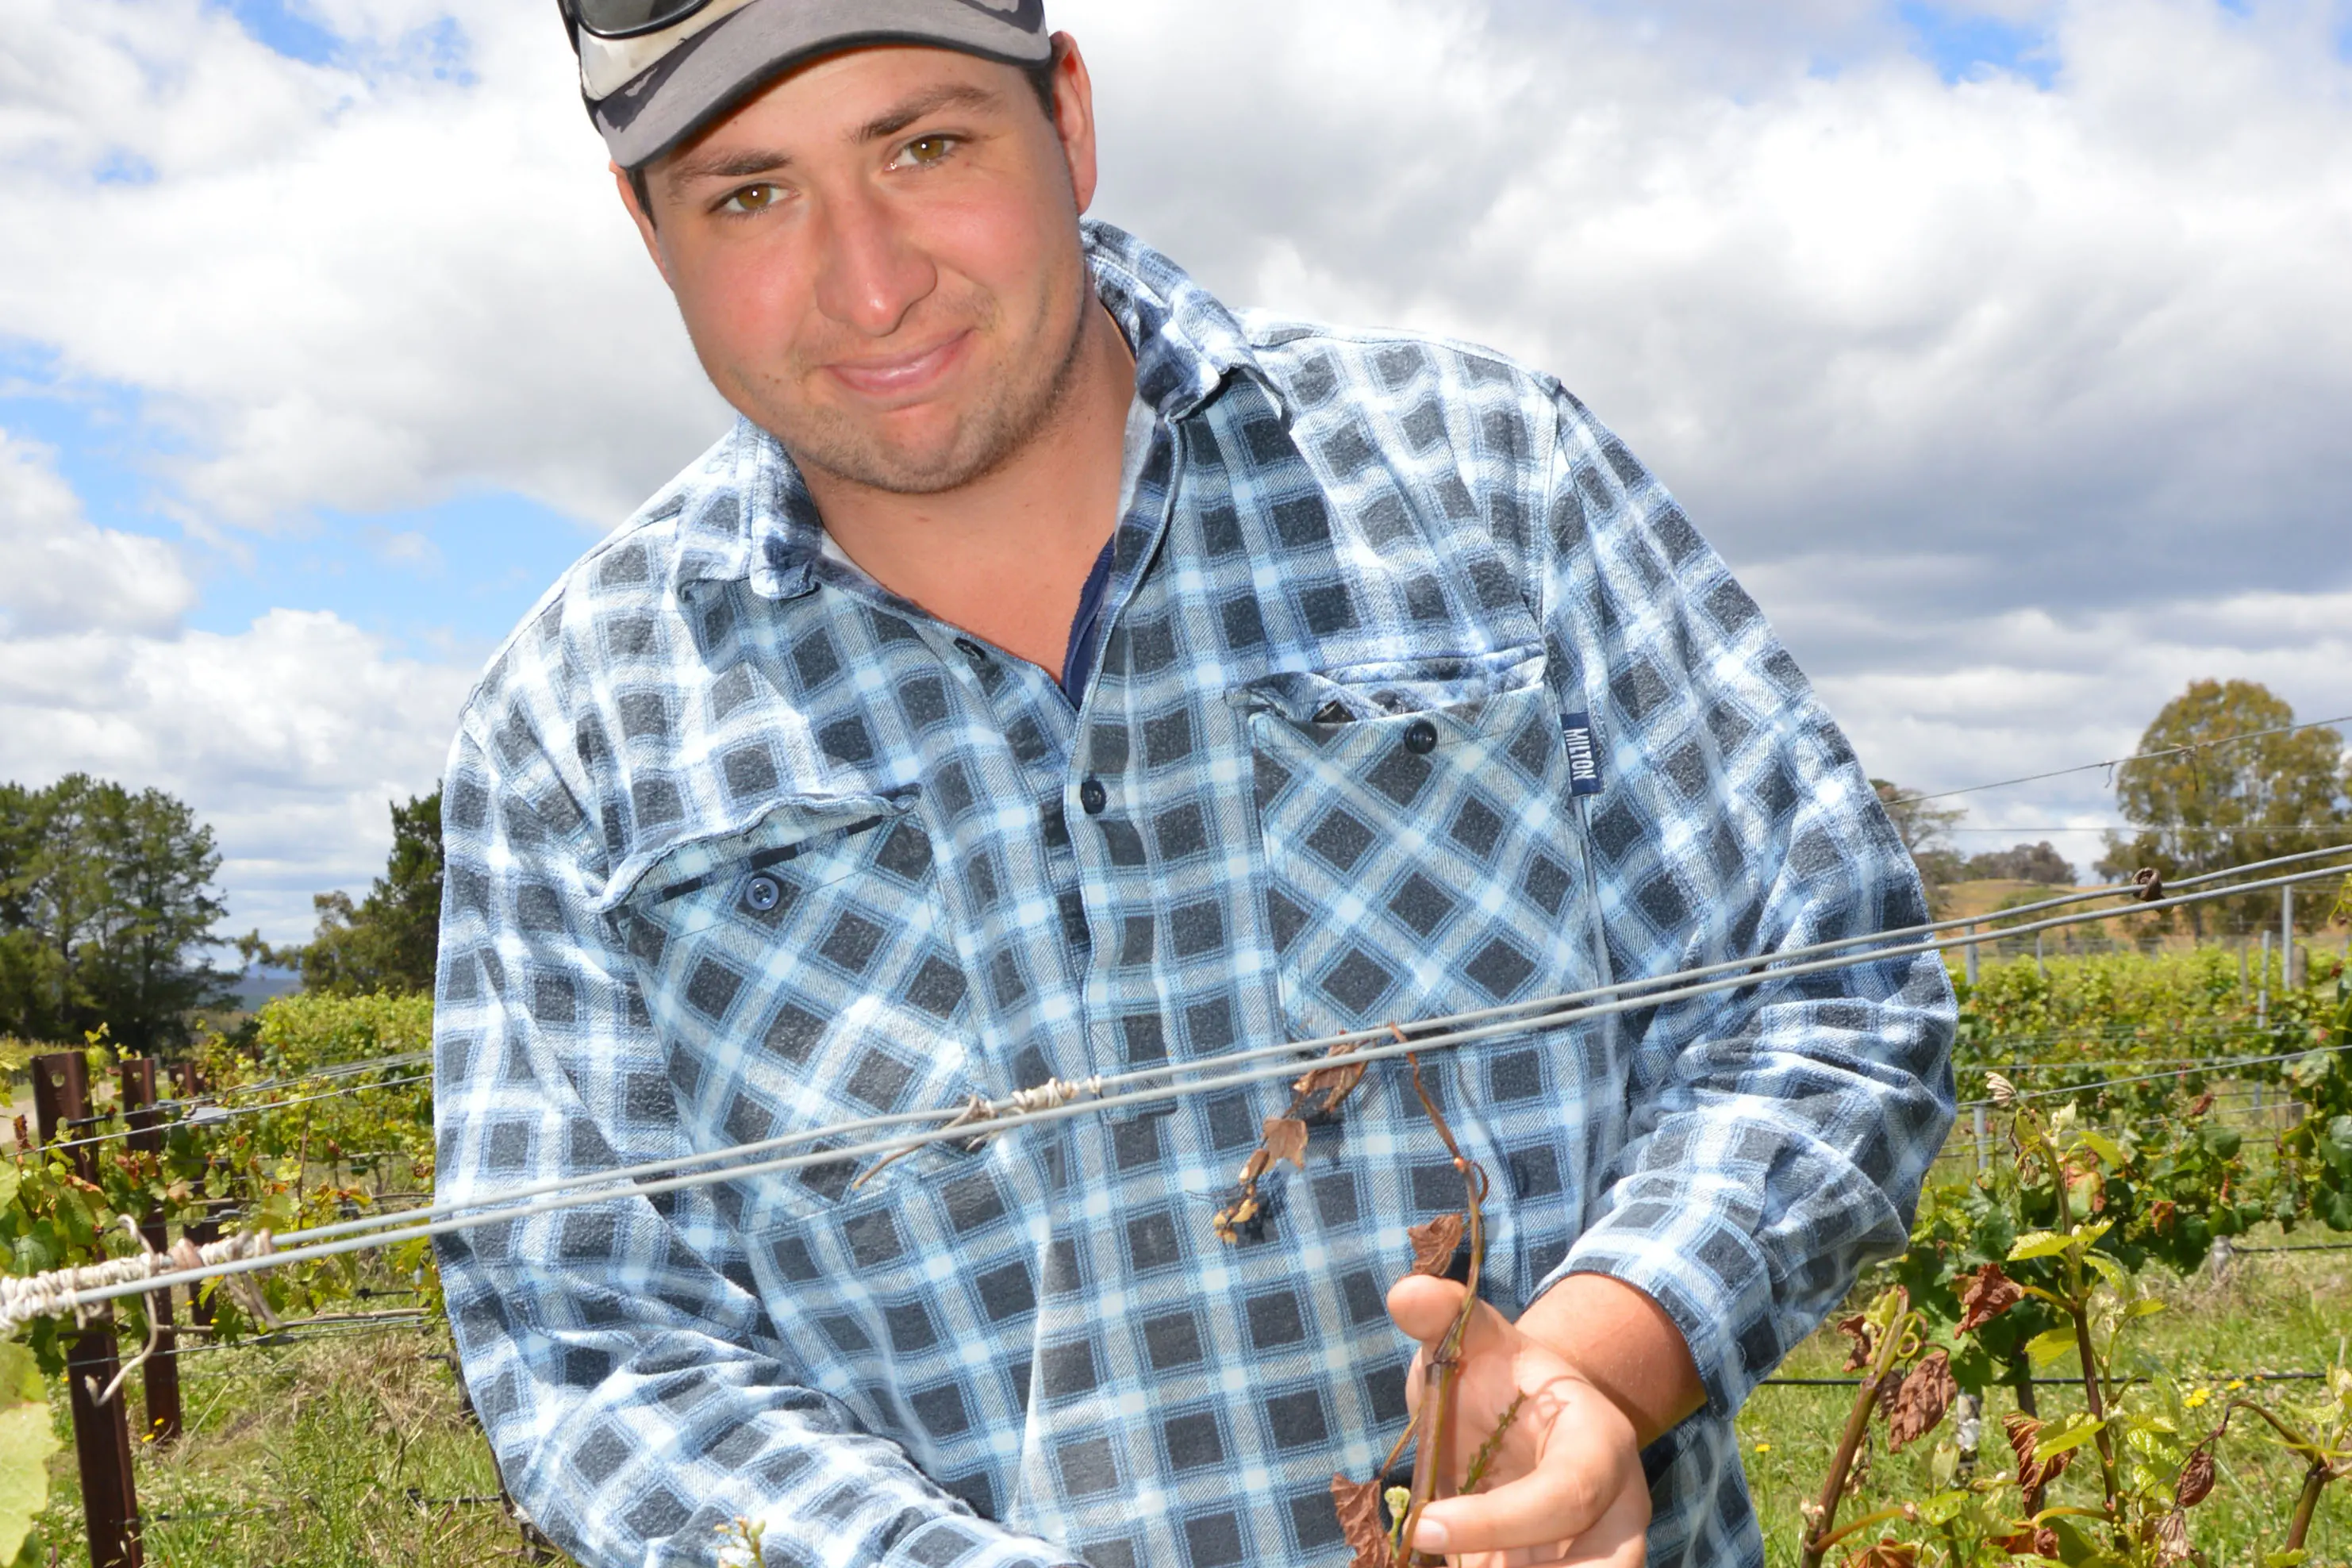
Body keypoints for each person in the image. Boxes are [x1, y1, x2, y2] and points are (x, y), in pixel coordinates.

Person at [432, 4, 1958, 1566]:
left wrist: (1586, 1366)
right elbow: (593, 1350)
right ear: (647, 227)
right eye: (750, 193)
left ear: (1070, 122)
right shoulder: (572, 735)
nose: (871, 281)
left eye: (927, 144)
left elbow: (1825, 998)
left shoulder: (1490, 482)